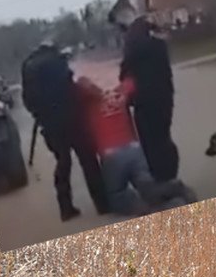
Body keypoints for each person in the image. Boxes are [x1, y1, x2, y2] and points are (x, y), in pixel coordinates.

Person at [20, 40, 109, 221]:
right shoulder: (57, 60)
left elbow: (28, 101)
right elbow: (70, 87)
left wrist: (41, 116)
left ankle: (65, 207)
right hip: (73, 118)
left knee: (63, 162)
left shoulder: (28, 67)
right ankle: (102, 203)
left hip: (51, 125)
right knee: (88, 160)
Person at [76, 76, 190, 214]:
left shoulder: (90, 103)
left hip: (112, 154)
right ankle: (174, 189)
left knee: (117, 194)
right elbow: (131, 81)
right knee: (148, 186)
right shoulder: (120, 95)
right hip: (134, 149)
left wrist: (98, 93)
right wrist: (117, 92)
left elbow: (81, 83)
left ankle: (143, 209)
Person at [108, 0, 180, 182]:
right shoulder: (150, 29)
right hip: (162, 93)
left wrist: (124, 78)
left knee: (153, 140)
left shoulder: (137, 35)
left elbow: (131, 65)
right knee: (161, 136)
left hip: (148, 98)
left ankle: (165, 180)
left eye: (118, 25)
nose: (119, 31)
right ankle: (168, 176)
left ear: (123, 16)